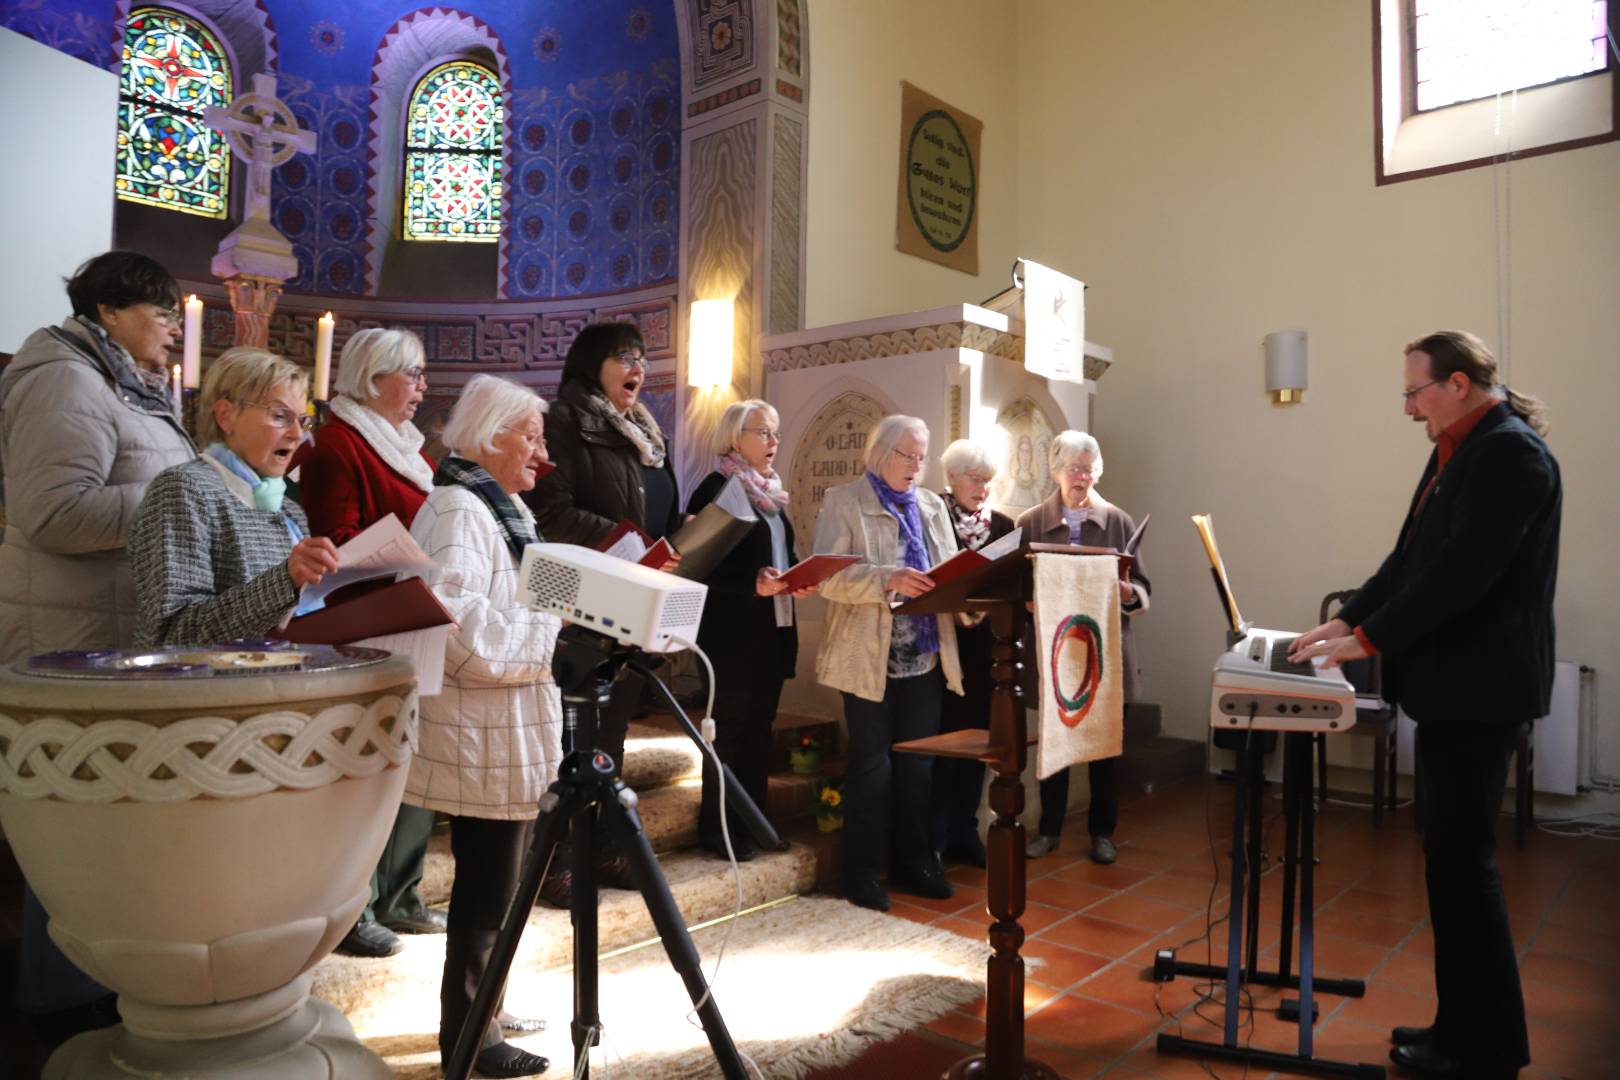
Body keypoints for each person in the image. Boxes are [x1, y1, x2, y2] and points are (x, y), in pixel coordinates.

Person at [1290, 330, 1556, 1080]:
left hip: (1481, 689)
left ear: (1461, 383)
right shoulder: (1460, 447)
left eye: (1416, 392)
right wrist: (1347, 619)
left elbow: (1461, 576)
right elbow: (1410, 559)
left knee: (1464, 868)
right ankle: (1460, 1031)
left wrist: (1369, 640)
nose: (1408, 408)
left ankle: (1490, 1049)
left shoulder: (1510, 454)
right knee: (1449, 865)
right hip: (1455, 687)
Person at [0, 251, 195, 1043]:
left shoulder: (116, 379)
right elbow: (54, 514)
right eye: (163, 317)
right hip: (68, 637)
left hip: (108, 631)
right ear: (110, 312)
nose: (175, 334)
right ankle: (59, 1009)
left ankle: (95, 988)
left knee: (103, 824)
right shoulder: (65, 379)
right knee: (76, 832)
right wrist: (180, 493)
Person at [405, 373, 559, 1079]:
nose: (541, 452)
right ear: (492, 434)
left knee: (497, 887)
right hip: (479, 731)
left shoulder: (499, 511)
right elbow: (462, 632)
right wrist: (561, 620)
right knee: (486, 892)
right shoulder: (458, 509)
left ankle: (483, 1014)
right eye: (531, 436)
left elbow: (519, 597)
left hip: (502, 732)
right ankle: (469, 1043)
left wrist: (605, 592)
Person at [294, 327, 444, 959]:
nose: (422, 388)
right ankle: (353, 906)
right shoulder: (336, 443)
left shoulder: (411, 449)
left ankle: (402, 893)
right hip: (364, 622)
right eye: (411, 374)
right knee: (368, 770)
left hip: (413, 612)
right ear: (373, 376)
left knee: (415, 763)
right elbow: (333, 541)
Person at [521, 321, 677, 904]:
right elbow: (547, 510)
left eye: (641, 357)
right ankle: (554, 857)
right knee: (571, 735)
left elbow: (661, 511)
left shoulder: (643, 433)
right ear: (592, 364)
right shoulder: (563, 420)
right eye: (622, 356)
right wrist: (624, 536)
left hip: (632, 596)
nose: (637, 367)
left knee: (612, 731)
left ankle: (609, 846)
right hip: (578, 598)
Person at [813, 415, 966, 912]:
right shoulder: (845, 500)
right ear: (881, 453)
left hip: (922, 656)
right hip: (867, 658)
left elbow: (947, 568)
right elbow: (828, 579)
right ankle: (861, 873)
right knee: (871, 768)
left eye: (922, 458)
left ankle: (914, 864)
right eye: (908, 456)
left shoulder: (931, 506)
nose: (917, 466)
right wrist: (888, 578)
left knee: (918, 767)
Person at [130, 348, 338, 648]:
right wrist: (285, 580)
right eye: (281, 416)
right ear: (227, 416)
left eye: (303, 421)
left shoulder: (289, 510)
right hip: (216, 693)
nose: (296, 434)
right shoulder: (183, 491)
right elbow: (173, 636)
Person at [688, 400, 817, 861]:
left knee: (759, 732)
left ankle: (756, 825)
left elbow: (782, 557)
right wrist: (752, 584)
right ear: (734, 438)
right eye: (762, 432)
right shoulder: (716, 490)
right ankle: (720, 831)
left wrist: (800, 577)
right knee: (728, 735)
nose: (773, 442)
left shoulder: (772, 496)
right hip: (729, 635)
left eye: (775, 433)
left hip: (772, 630)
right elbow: (694, 566)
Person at [1018, 431, 1150, 866]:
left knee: (1106, 748)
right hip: (1057, 654)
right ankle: (1049, 830)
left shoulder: (1119, 521)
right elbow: (1015, 585)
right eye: (1074, 468)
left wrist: (1128, 591)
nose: (1081, 477)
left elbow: (1144, 589)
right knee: (1056, 746)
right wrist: (1029, 599)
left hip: (1106, 653)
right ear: (1056, 471)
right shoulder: (1031, 523)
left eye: (1089, 469)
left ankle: (1102, 833)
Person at [932, 439, 1015, 868]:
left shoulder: (1003, 526)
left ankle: (966, 830)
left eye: (987, 481)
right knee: (944, 743)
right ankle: (937, 835)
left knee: (979, 743)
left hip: (988, 650)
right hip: (945, 645)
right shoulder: (933, 519)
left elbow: (1013, 581)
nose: (982, 488)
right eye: (973, 479)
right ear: (951, 478)